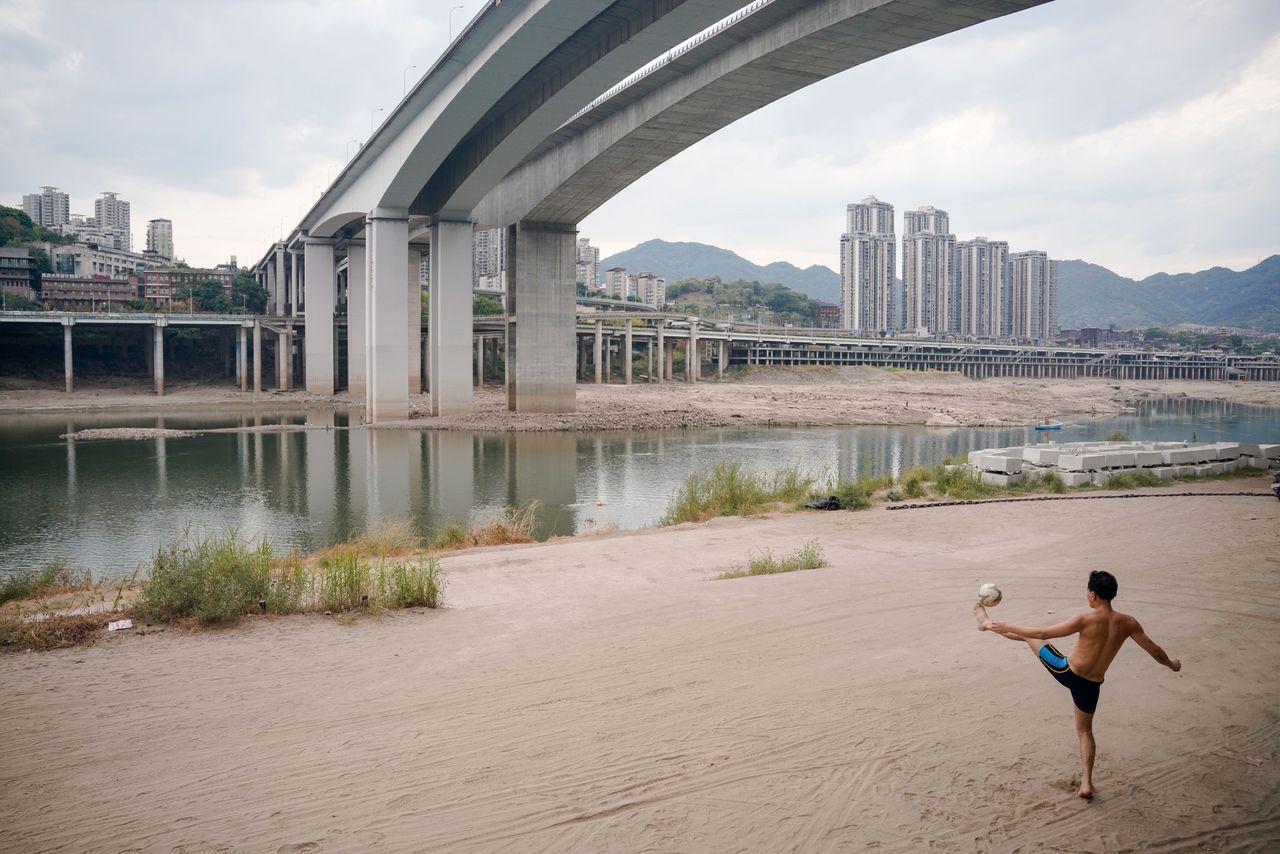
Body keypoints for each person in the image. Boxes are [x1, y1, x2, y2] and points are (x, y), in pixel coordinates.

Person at [972, 570, 1181, 799]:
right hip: (1092, 685)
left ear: (1092, 595)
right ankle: (1086, 784)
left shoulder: (1085, 619)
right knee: (1085, 731)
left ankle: (986, 623)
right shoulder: (1129, 623)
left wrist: (1010, 626)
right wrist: (1171, 664)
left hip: (1067, 672)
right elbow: (1155, 651)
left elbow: (1042, 632)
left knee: (1031, 637)